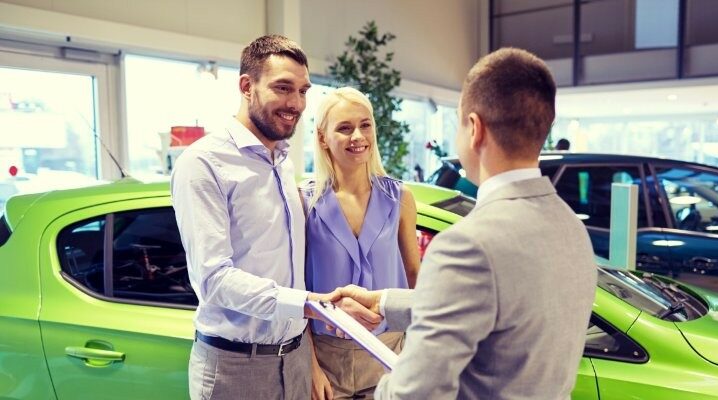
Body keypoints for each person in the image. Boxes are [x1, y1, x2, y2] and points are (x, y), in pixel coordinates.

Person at [337, 48, 597, 400]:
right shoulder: (571, 227)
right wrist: (382, 302)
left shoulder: (468, 245)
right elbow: (497, 308)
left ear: (474, 129)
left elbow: (415, 394)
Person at [171, 35, 344, 400]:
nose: (295, 103)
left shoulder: (283, 161)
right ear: (247, 86)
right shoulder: (203, 163)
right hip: (235, 367)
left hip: (294, 357)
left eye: (302, 91)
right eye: (283, 88)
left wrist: (308, 355)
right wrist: (309, 303)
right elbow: (213, 279)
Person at [303, 87, 420, 399]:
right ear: (322, 137)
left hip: (390, 351)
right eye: (344, 128)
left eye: (365, 125)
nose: (358, 136)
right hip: (328, 358)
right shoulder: (304, 202)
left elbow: (415, 277)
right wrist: (311, 366)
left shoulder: (400, 198)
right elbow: (295, 289)